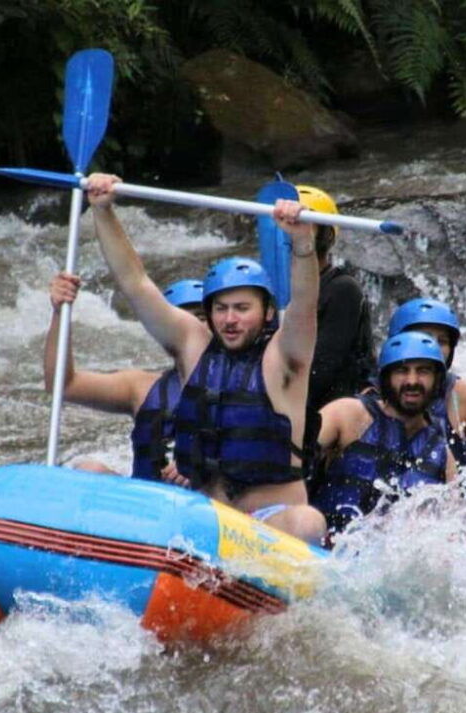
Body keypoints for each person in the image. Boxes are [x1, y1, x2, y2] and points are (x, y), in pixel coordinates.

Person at [85, 172, 327, 543]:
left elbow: (305, 303)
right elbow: (135, 284)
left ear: (266, 312)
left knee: (309, 523)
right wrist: (103, 211)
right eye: (221, 309)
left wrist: (301, 242)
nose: (230, 319)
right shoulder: (194, 347)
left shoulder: (285, 357)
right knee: (89, 470)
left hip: (266, 522)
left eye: (242, 308)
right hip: (201, 519)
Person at [43, 273, 204, 481]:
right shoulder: (141, 387)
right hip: (150, 499)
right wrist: (59, 312)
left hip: (210, 502)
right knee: (89, 470)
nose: (190, 330)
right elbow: (63, 384)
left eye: (200, 319)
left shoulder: (246, 382)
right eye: (181, 321)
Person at [310, 331, 456, 539]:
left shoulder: (442, 454)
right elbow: (293, 460)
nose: (412, 381)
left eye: (423, 371)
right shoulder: (346, 415)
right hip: (321, 548)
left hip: (384, 563)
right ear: (386, 378)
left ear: (437, 380)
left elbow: (455, 526)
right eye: (402, 371)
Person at [387, 298, 466, 496]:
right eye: (424, 336)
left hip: (448, 503)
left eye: (442, 341)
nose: (432, 346)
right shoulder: (374, 397)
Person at [296, 185, 376, 410]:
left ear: (326, 234)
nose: (293, 232)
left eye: (303, 224)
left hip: (337, 409)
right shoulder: (272, 290)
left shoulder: (342, 290)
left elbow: (322, 370)